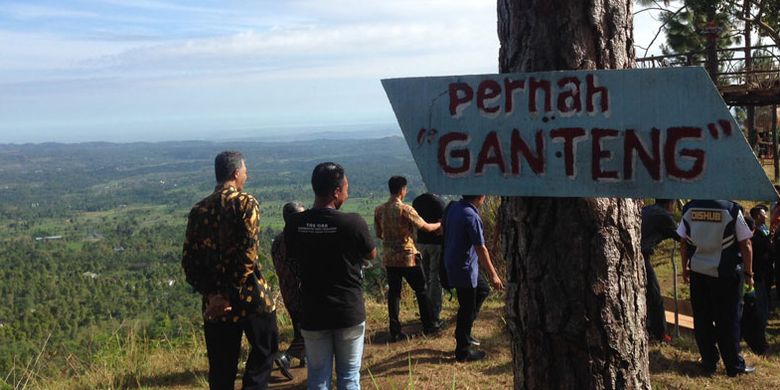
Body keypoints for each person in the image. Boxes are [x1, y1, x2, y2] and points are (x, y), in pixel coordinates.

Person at [182, 151, 280, 389]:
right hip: (249, 298)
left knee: (221, 369)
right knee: (266, 350)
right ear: (236, 174)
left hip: (216, 306)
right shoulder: (246, 203)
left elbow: (189, 262)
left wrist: (214, 296)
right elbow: (248, 253)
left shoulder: (198, 210)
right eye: (245, 170)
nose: (246, 174)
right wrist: (229, 292)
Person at [284, 162, 376, 390]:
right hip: (347, 310)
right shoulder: (353, 223)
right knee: (348, 376)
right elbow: (371, 254)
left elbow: (291, 255)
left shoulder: (295, 224)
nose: (348, 190)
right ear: (336, 192)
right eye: (346, 186)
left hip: (313, 311)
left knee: (317, 376)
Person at [677, 199, 755, 377]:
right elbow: (746, 244)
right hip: (725, 274)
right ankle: (733, 366)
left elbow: (683, 242)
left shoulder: (690, 208)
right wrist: (749, 273)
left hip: (698, 271)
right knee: (728, 320)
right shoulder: (731, 209)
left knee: (702, 318)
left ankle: (709, 362)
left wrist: (684, 268)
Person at [374, 176, 441, 342]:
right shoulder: (406, 210)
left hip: (389, 258)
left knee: (394, 293)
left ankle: (395, 331)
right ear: (402, 190)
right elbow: (426, 227)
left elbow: (378, 234)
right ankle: (429, 324)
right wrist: (441, 224)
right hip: (408, 257)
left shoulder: (379, 210)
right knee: (421, 289)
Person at [443, 195, 504, 362]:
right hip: (464, 268)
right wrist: (494, 275)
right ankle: (463, 351)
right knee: (466, 308)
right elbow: (480, 248)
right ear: (481, 196)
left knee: (482, 291)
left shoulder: (454, 207)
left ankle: (465, 332)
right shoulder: (471, 216)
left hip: (456, 262)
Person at [272, 202, 307, 368]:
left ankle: (304, 358)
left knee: (299, 327)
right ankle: (287, 357)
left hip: (288, 292)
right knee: (310, 329)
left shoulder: (277, 240)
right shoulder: (298, 240)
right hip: (302, 293)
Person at [640, 199, 679, 343]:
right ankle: (660, 335)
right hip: (641, 256)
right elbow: (682, 236)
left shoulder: (647, 209)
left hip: (634, 254)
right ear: (671, 203)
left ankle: (649, 329)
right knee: (654, 296)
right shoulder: (664, 216)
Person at [412, 192, 447, 325]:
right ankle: (435, 314)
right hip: (436, 244)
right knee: (435, 278)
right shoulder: (439, 202)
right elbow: (441, 227)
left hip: (421, 243)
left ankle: (425, 313)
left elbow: (415, 223)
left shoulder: (417, 201)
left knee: (424, 279)